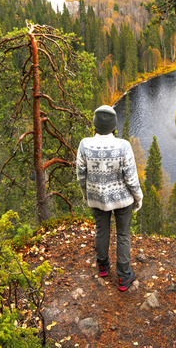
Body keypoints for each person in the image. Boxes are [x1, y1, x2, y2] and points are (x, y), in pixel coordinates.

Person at [76, 105, 143, 291]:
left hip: (96, 198)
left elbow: (80, 175)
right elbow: (131, 178)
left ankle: (103, 267)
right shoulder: (123, 146)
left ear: (95, 125)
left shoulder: (84, 144)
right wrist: (138, 197)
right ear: (114, 126)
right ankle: (123, 276)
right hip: (123, 200)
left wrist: (86, 194)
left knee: (101, 230)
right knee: (123, 235)